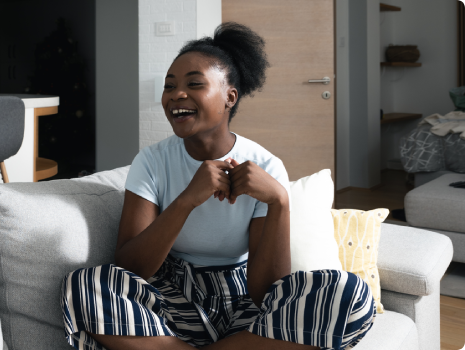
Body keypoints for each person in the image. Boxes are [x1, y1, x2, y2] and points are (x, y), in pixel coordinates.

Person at [61, 23, 375, 350]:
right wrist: (186, 201)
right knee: (83, 285)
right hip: (170, 303)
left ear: (230, 96)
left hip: (245, 306)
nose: (176, 95)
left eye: (194, 84)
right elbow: (130, 267)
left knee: (352, 296)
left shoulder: (266, 166)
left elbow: (268, 292)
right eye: (170, 86)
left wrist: (279, 202)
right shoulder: (151, 161)